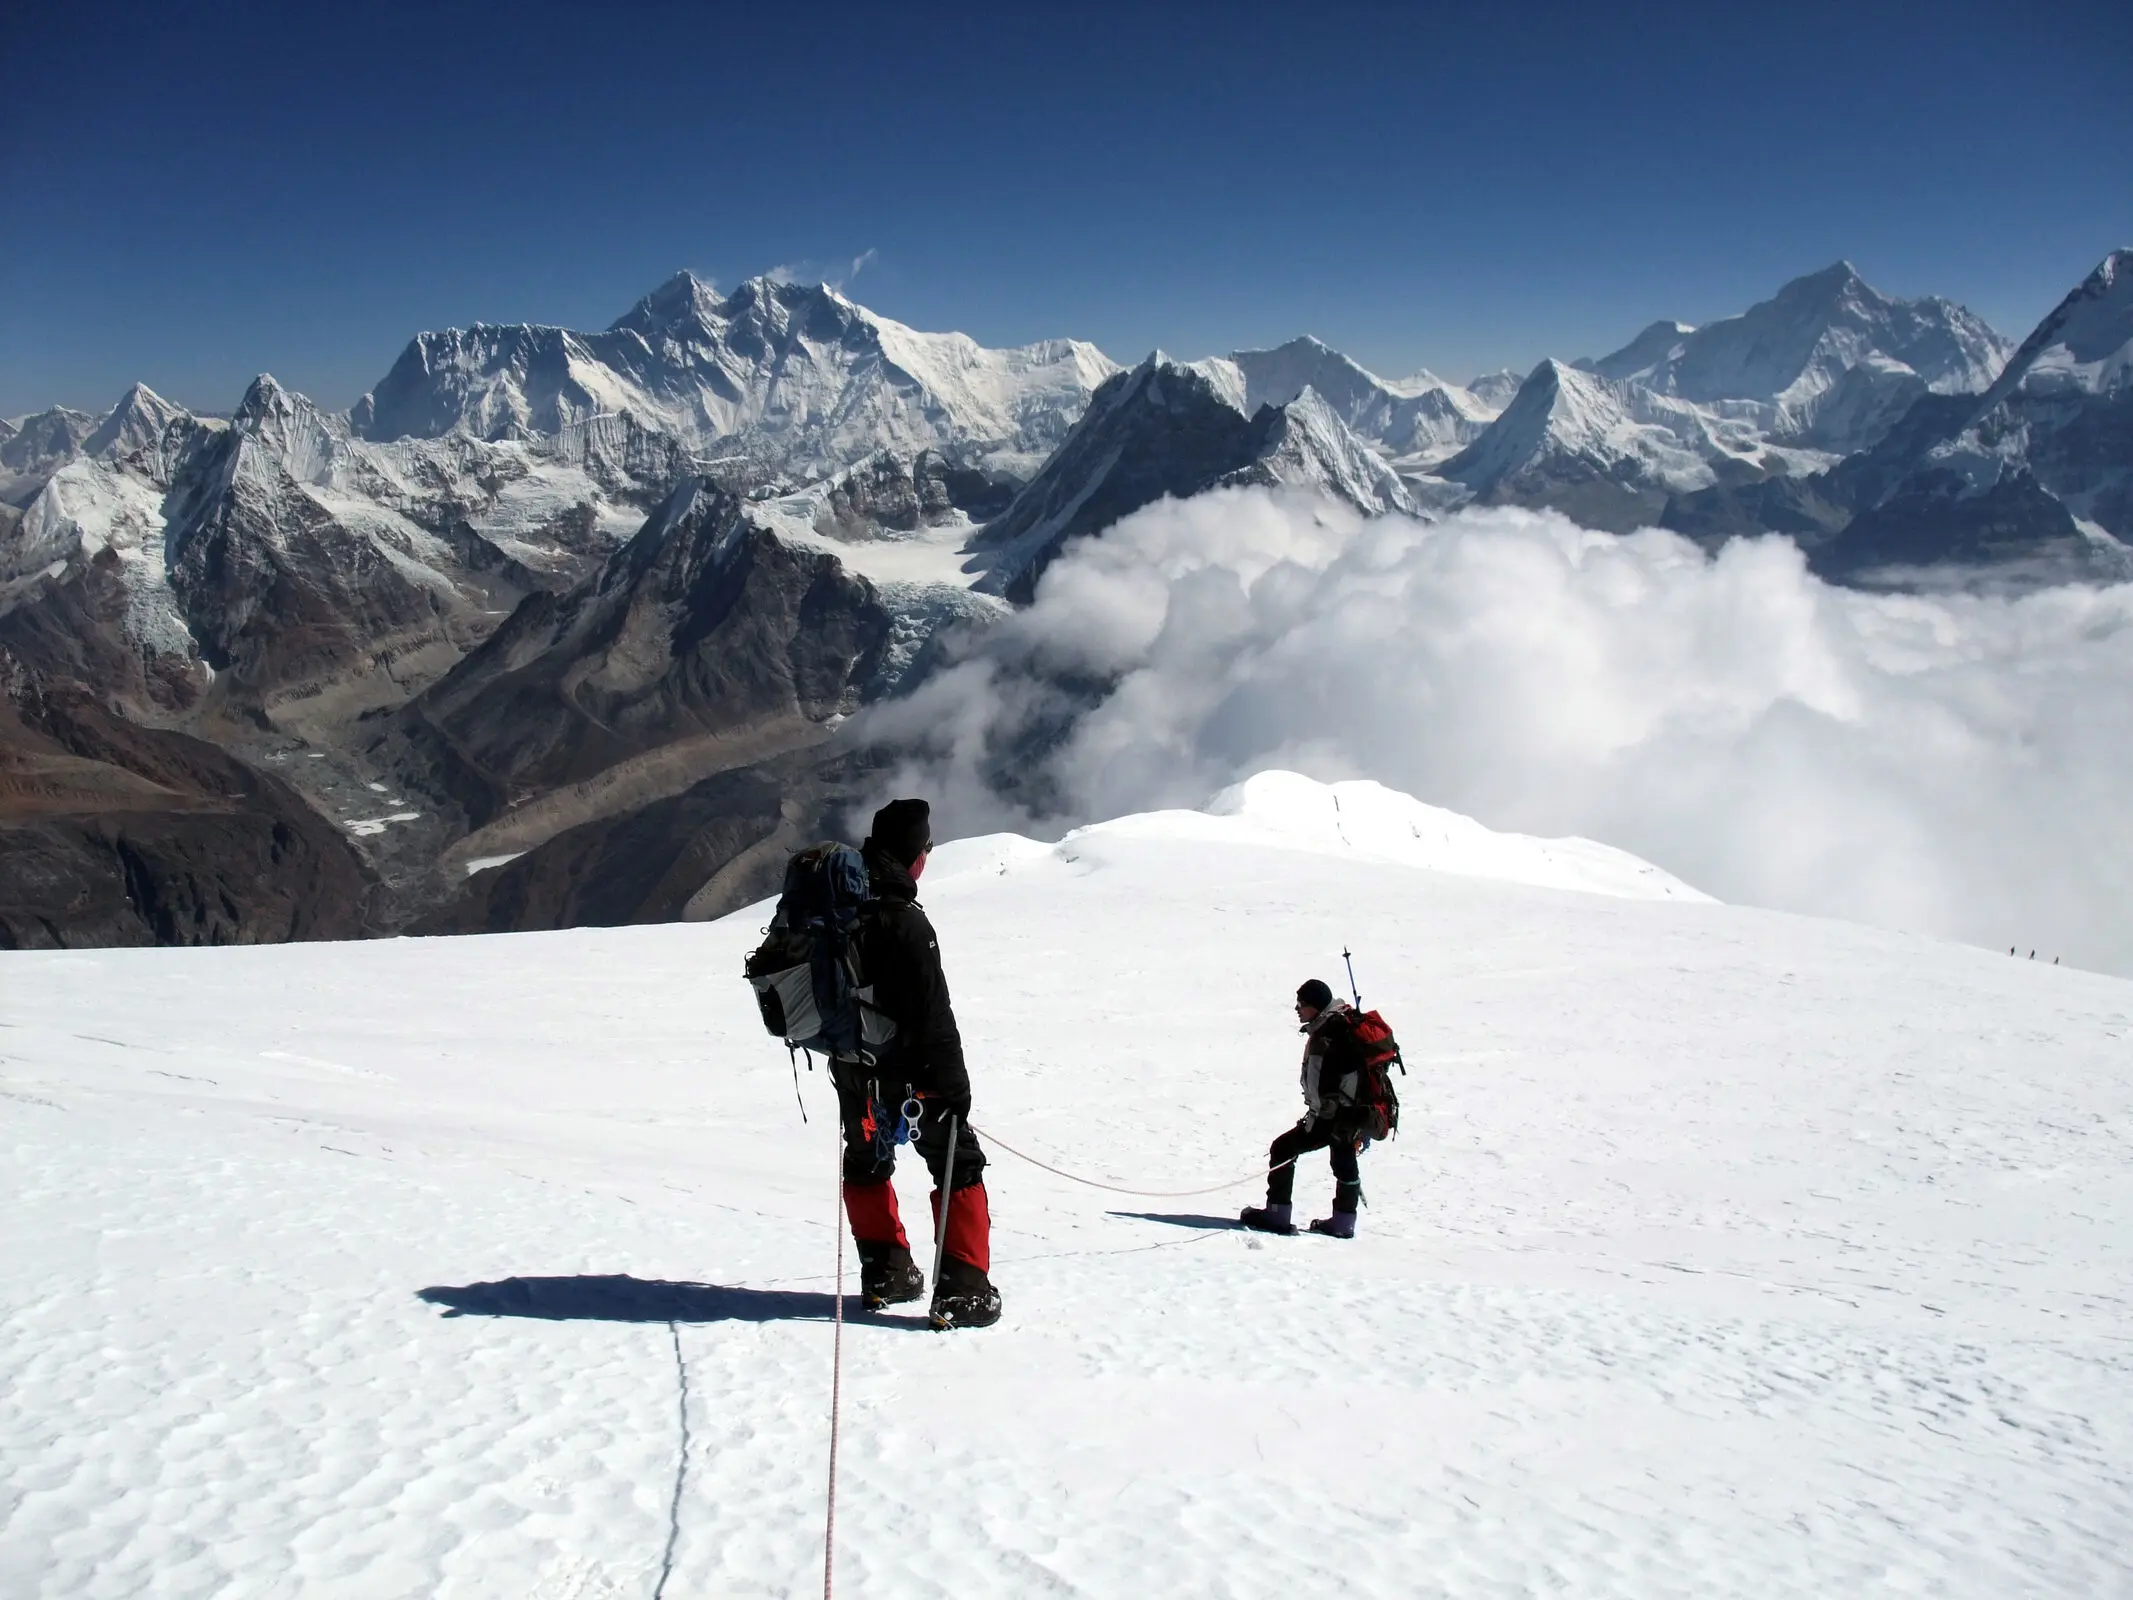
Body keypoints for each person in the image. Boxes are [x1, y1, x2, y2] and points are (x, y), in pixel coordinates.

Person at [833, 797, 1002, 1329]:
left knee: (865, 1158)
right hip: (911, 1077)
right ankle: (963, 1290)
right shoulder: (904, 922)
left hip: (853, 1069)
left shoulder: (843, 909)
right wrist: (955, 1091)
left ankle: (885, 1272)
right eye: (925, 847)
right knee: (959, 1161)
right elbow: (934, 1018)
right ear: (915, 856)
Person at [1240, 978, 1369, 1239]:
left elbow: (1317, 1089)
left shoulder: (1325, 1038)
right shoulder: (1343, 1025)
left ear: (1317, 1007)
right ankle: (1344, 1222)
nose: (1297, 1009)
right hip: (1355, 1112)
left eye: (1302, 1004)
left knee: (1283, 1148)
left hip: (1331, 1115)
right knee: (1344, 1160)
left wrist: (1311, 1123)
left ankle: (1277, 1215)